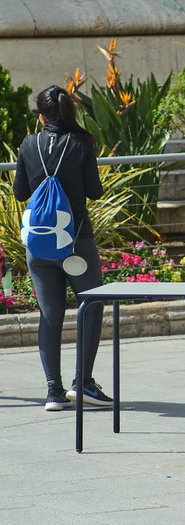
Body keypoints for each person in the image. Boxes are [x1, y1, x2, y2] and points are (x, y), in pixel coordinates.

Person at [13, 85, 111, 411]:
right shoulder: (82, 143)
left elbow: (20, 192)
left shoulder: (29, 144)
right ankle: (82, 383)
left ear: (41, 116)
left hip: (40, 244)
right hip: (76, 241)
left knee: (50, 316)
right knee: (92, 306)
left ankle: (53, 392)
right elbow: (95, 192)